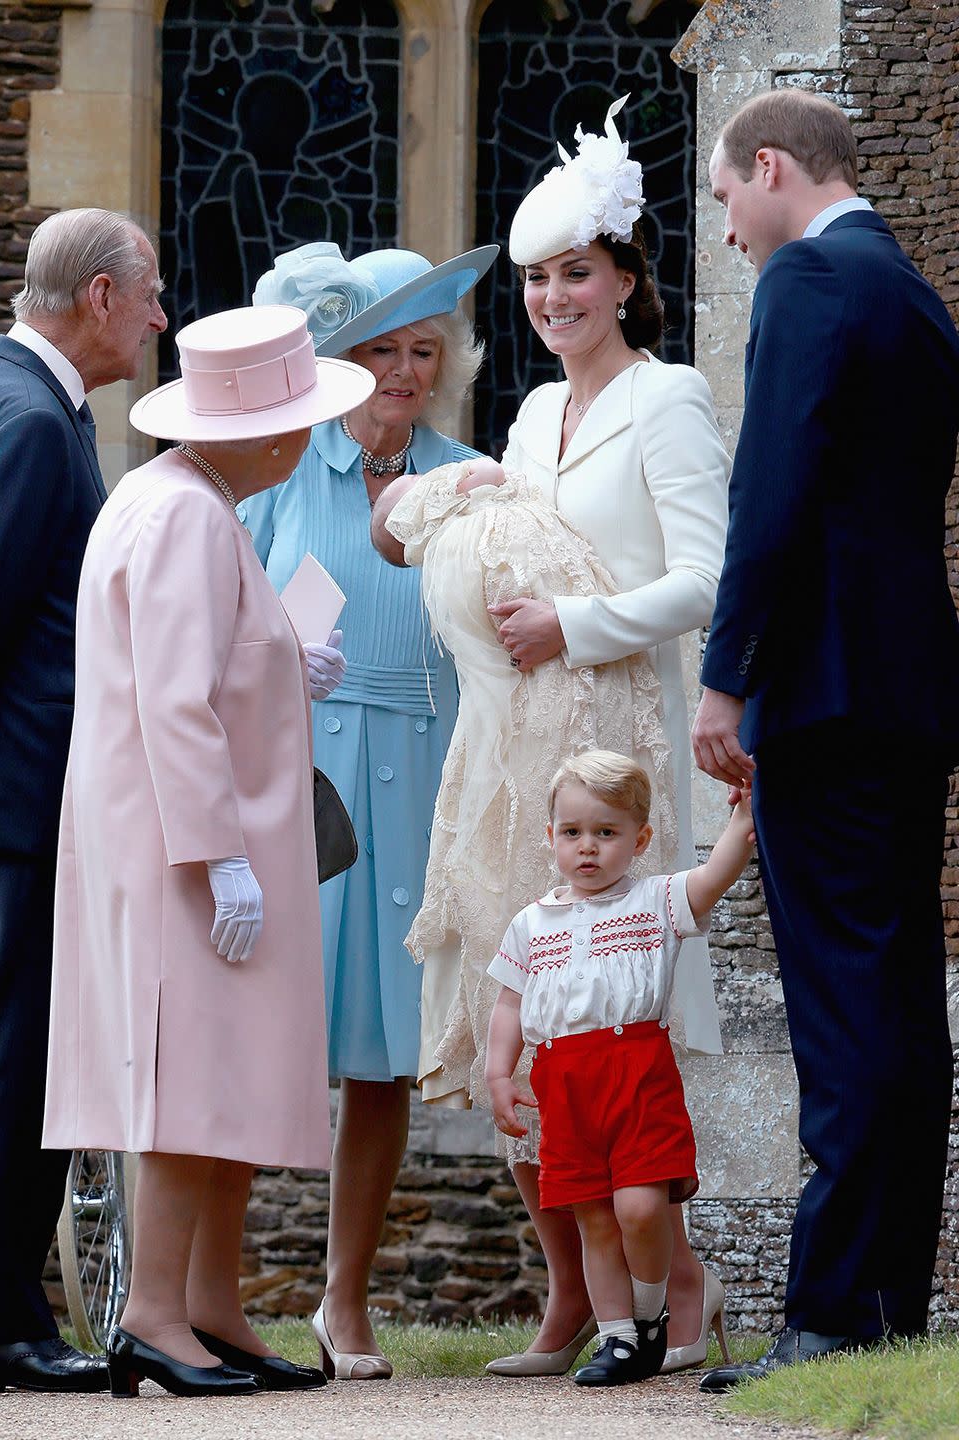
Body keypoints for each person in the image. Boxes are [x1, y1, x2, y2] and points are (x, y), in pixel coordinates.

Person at [379, 97, 731, 1375]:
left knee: (604, 1027)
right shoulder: (529, 419)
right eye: (533, 278)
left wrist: (573, 625)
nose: (551, 297)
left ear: (627, 277)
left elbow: (707, 577)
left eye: (575, 272)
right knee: (514, 1016)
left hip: (608, 741)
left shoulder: (671, 399)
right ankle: (567, 1301)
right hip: (506, 741)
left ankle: (676, 1291)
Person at [42, 304, 374, 1397]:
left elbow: (209, 661)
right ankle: (151, 1315)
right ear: (261, 432)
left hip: (202, 834)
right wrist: (216, 854)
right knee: (189, 1074)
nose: (305, 441)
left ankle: (211, 1303)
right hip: (188, 844)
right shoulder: (185, 514)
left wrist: (286, 661)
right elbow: (174, 703)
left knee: (226, 1073)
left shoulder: (182, 500)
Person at [693, 90, 959, 1390]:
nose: (727, 222)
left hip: (826, 689)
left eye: (726, 192)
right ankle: (892, 1297)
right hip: (911, 690)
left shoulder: (807, 278)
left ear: (774, 168)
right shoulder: (910, 293)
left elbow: (772, 485)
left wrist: (726, 676)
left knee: (846, 1006)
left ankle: (836, 1315)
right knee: (902, 998)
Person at [241, 240, 497, 1379]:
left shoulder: (472, 477)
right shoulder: (281, 473)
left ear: (448, 362)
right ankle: (209, 1289)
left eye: (423, 350)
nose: (403, 370)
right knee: (257, 1040)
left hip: (434, 782)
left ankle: (343, 1306)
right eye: (382, 348)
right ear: (341, 358)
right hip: (304, 786)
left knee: (386, 1061)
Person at [0, 208, 166, 1394]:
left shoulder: (36, 405)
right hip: (15, 814)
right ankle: (8, 1318)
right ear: (100, 297)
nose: (163, 319)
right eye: (150, 295)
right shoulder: (28, 424)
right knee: (16, 1069)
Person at [485, 751, 751, 1386]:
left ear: (639, 839)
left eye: (607, 833)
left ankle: (651, 1315)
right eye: (573, 833)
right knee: (593, 1219)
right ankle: (616, 1340)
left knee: (638, 1206)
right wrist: (500, 1074)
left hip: (636, 1074)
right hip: (563, 1083)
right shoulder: (532, 923)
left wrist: (743, 819)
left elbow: (715, 875)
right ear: (550, 837)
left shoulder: (656, 901)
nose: (588, 848)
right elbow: (509, 1003)